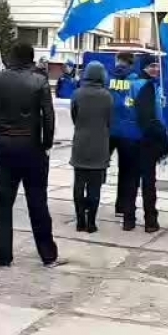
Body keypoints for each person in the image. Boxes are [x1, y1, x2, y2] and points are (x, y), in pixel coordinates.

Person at [0, 42, 60, 267]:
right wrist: (46, 143)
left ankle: (3, 255)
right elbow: (48, 115)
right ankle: (47, 253)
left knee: (4, 201)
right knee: (37, 200)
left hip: (6, 144)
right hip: (31, 146)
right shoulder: (39, 80)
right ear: (31, 58)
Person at [123, 55, 166, 233]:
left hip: (142, 141)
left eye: (157, 66)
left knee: (140, 182)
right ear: (144, 68)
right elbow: (134, 112)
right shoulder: (140, 86)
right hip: (140, 140)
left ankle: (139, 220)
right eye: (152, 66)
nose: (156, 69)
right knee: (140, 182)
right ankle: (139, 220)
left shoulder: (155, 87)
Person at [69, 61, 112, 233]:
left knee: (78, 185)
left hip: (80, 143)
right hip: (100, 145)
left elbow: (74, 116)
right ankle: (91, 222)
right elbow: (110, 121)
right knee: (95, 187)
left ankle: (80, 221)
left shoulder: (77, 94)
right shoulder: (107, 96)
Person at [107, 52, 140, 216]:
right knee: (127, 172)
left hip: (109, 130)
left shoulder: (108, 79)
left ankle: (91, 201)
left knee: (98, 168)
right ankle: (122, 206)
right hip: (129, 132)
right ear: (132, 63)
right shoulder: (136, 82)